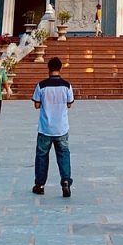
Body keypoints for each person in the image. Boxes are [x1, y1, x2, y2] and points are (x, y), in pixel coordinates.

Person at [31, 57, 74, 197]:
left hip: (45, 128)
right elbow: (69, 104)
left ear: (48, 68)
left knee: (42, 156)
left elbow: (36, 104)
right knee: (63, 154)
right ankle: (66, 181)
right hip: (61, 128)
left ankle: (40, 185)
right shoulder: (66, 85)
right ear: (60, 68)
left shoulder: (41, 85)